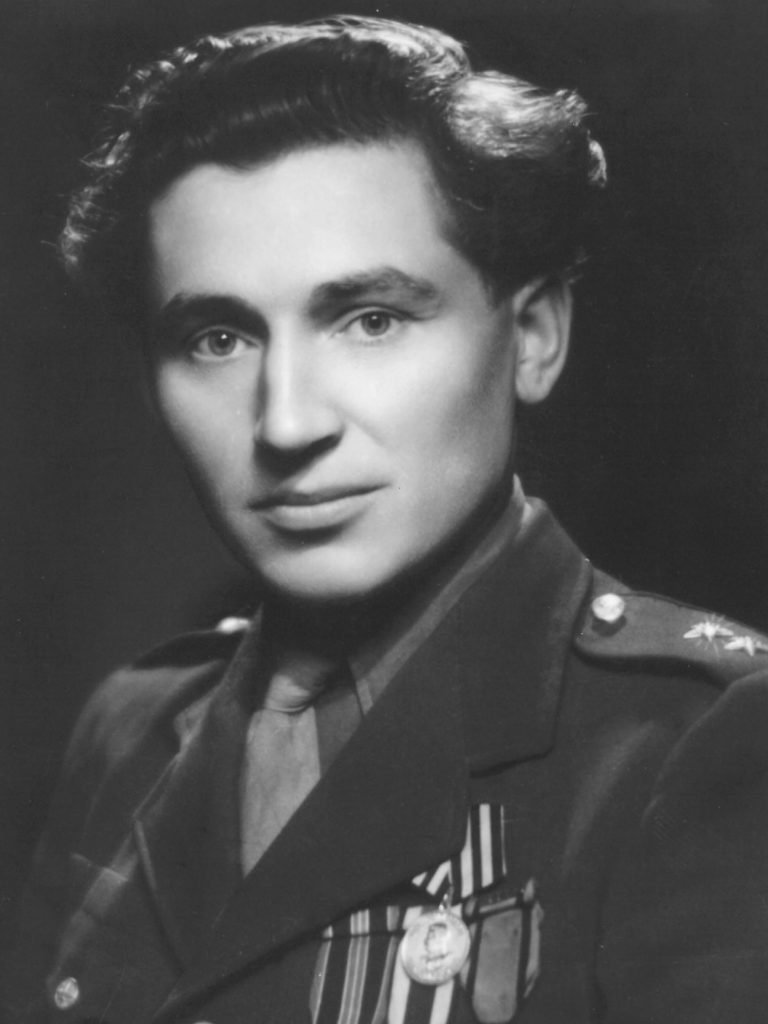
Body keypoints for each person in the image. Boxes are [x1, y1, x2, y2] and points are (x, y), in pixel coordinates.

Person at [6, 15, 768, 1024]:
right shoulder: (131, 728)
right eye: (218, 337)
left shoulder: (706, 741)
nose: (288, 423)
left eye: (371, 320)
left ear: (534, 338)